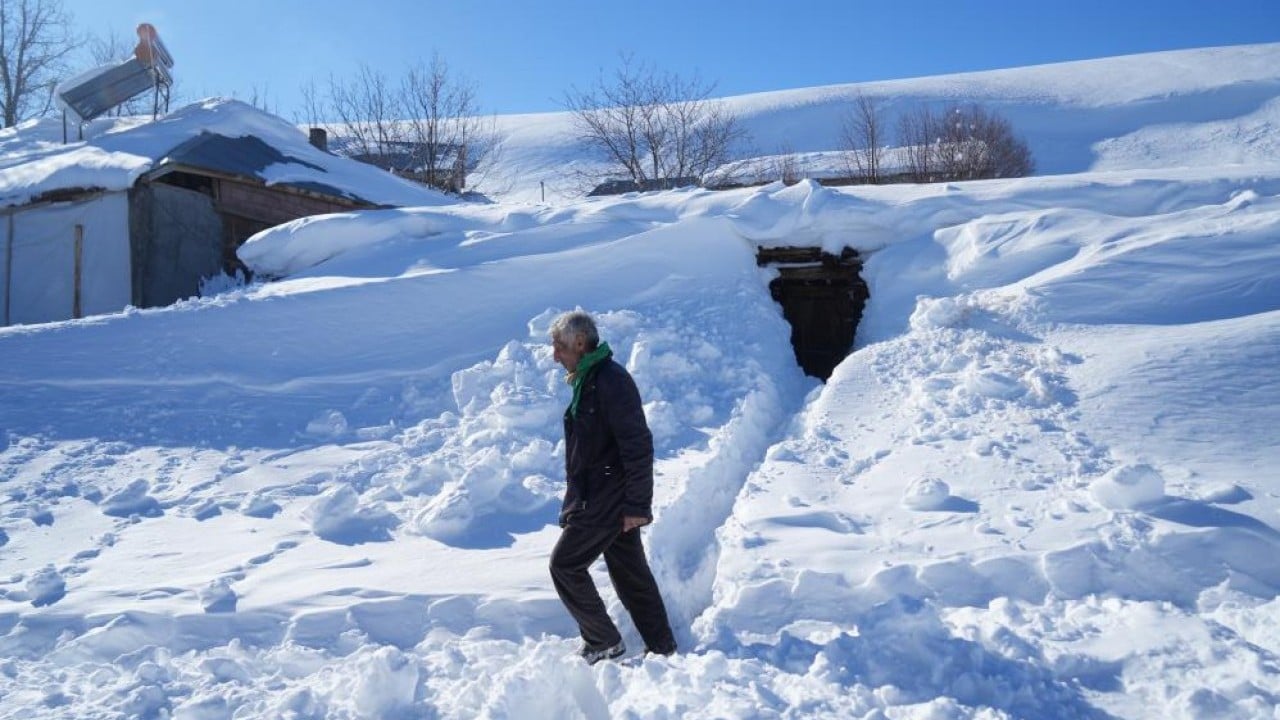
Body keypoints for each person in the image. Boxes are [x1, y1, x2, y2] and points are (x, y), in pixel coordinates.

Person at [547, 310, 677, 664]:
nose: (554, 355)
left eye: (558, 346)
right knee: (630, 573)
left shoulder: (610, 381)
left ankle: (603, 639)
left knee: (565, 565)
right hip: (601, 496)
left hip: (606, 497)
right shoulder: (589, 379)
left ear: (578, 342)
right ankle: (663, 648)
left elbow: (637, 444)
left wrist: (637, 505)